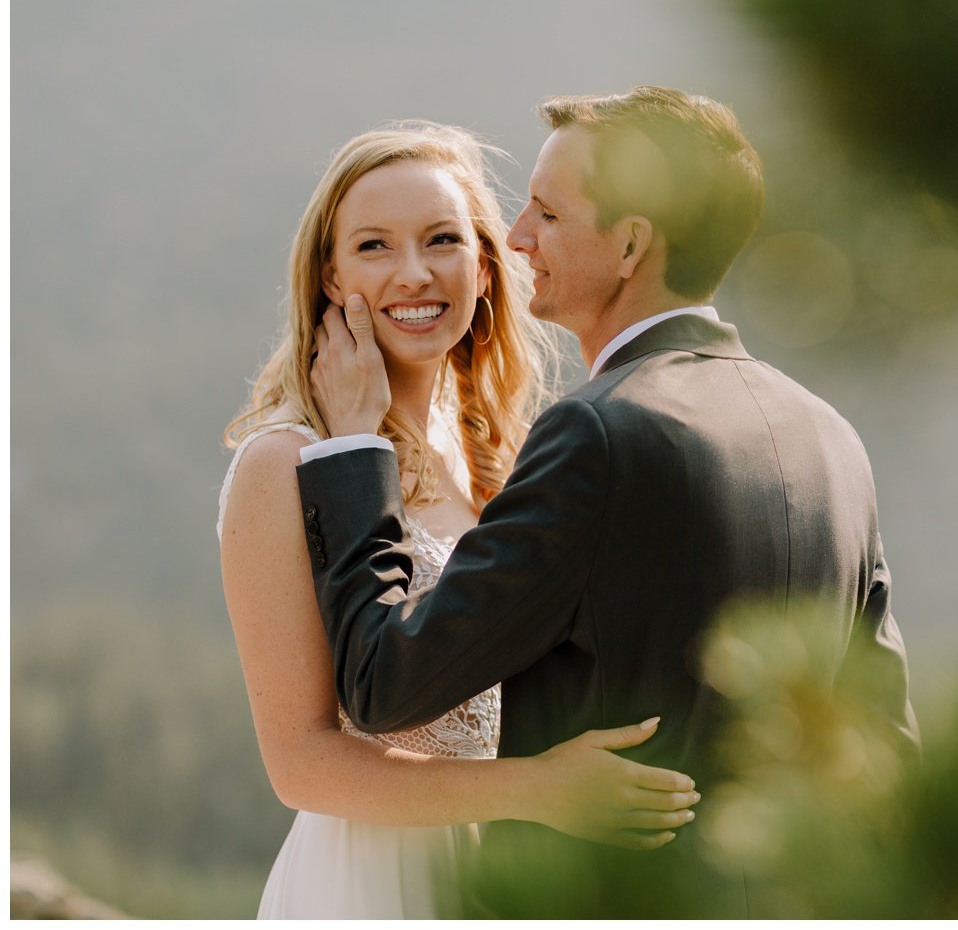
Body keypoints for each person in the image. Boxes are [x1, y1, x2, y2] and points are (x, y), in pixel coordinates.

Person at [297, 87, 919, 917]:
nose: (515, 238)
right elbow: (885, 745)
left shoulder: (597, 434)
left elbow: (385, 682)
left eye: (548, 214)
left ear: (630, 246)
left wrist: (352, 450)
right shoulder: (831, 437)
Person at [218, 121, 700, 919]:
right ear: (331, 278)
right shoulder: (284, 462)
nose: (414, 274)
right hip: (369, 879)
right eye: (374, 247)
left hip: (503, 873)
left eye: (442, 239)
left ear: (483, 265)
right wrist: (542, 789)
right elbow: (300, 763)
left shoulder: (502, 450)